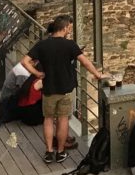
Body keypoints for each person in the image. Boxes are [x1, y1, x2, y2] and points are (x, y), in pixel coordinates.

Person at [20, 15, 106, 164]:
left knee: (48, 119)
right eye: (69, 28)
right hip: (65, 89)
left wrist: (37, 73)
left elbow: (25, 61)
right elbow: (85, 62)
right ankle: (60, 152)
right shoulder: (70, 45)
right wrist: (97, 74)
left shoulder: (42, 45)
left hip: (48, 88)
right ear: (65, 28)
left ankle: (48, 152)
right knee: (63, 119)